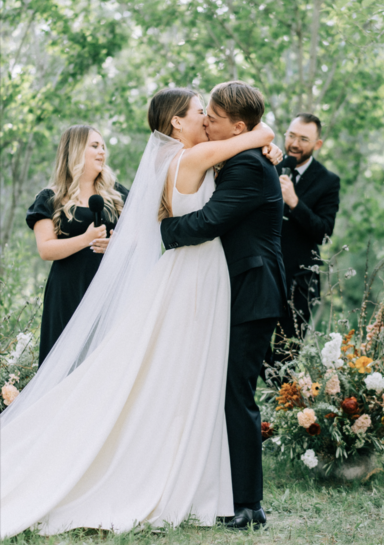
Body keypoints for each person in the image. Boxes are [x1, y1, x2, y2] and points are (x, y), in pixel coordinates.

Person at [0, 87, 282, 537]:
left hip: (204, 276)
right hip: (197, 274)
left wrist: (268, 142)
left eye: (212, 114)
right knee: (189, 379)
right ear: (176, 123)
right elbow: (244, 143)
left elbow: (242, 146)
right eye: (199, 113)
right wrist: (265, 133)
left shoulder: (181, 158)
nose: (206, 120)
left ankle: (208, 483)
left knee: (191, 380)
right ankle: (195, 483)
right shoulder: (192, 158)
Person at [161, 81, 287, 530]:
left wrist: (157, 233)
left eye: (212, 117)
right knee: (228, 391)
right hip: (239, 290)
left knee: (238, 395)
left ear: (236, 126)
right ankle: (231, 494)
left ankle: (250, 505)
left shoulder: (249, 166)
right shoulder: (243, 154)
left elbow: (210, 221)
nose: (206, 122)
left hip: (254, 291)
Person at [26, 125, 129, 366]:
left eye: (103, 146)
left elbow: (139, 236)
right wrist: (86, 239)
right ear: (75, 151)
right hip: (68, 290)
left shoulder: (117, 195)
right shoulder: (49, 198)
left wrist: (117, 243)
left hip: (109, 289)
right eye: (94, 146)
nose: (102, 152)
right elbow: (45, 249)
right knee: (64, 365)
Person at [272, 113, 340, 368]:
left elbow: (323, 232)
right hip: (262, 272)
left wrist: (295, 203)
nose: (294, 144)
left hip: (300, 283)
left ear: (317, 144)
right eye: (291, 136)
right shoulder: (269, 165)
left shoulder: (328, 181)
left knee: (287, 356)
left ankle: (281, 405)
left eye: (303, 139)